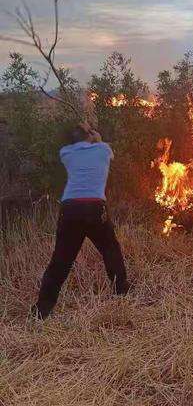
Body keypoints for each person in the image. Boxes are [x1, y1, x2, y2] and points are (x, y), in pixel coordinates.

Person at [31, 122, 131, 319]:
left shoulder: (66, 153)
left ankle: (42, 309)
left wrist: (85, 133)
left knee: (60, 261)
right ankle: (122, 291)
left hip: (70, 209)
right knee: (110, 249)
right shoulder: (103, 149)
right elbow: (105, 148)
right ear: (90, 137)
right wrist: (96, 135)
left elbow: (77, 145)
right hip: (95, 209)